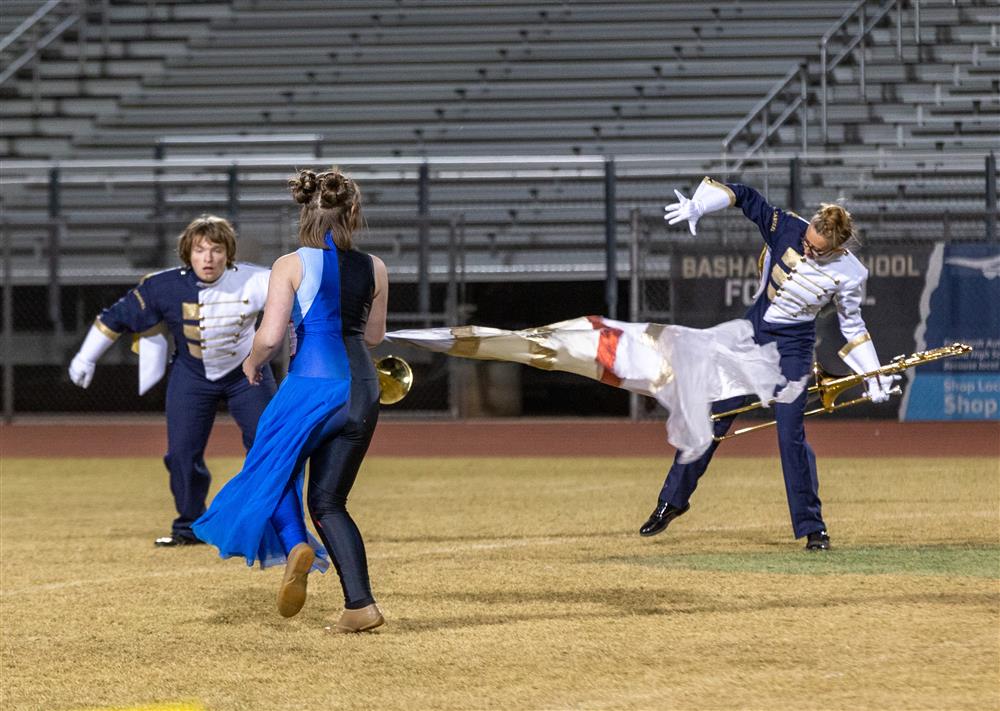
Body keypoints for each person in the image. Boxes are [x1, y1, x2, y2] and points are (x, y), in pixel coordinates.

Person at [639, 177, 898, 550]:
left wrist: (874, 376)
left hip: (793, 349)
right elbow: (745, 196)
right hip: (751, 337)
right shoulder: (787, 227)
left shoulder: (851, 273)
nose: (808, 251)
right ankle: (671, 502)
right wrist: (700, 205)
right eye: (807, 243)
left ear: (838, 247)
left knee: (790, 436)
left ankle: (813, 528)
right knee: (711, 419)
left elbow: (852, 325)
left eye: (818, 250)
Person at [192, 168, 389, 634]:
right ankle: (359, 606)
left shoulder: (291, 264)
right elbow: (375, 336)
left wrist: (252, 364)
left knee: (269, 465)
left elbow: (271, 335)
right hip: (363, 390)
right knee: (328, 501)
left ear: (305, 212)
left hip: (312, 386)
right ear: (352, 214)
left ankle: (296, 544)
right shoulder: (376, 266)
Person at [68, 215, 274, 547]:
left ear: (229, 253)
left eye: (216, 250)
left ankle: (263, 521)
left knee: (269, 446)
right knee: (181, 454)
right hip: (192, 374)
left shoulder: (259, 280)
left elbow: (300, 304)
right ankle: (189, 526)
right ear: (187, 254)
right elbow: (116, 316)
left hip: (248, 373)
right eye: (200, 250)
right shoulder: (163, 286)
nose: (208, 259)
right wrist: (86, 356)